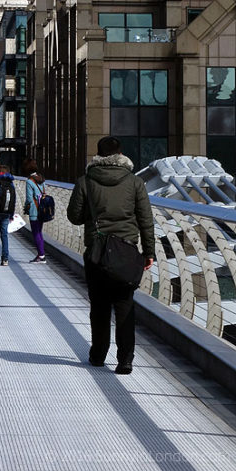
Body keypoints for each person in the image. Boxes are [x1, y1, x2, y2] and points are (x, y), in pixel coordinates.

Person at [67, 135, 155, 374]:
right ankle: (125, 360)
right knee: (125, 305)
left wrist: (92, 215)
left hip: (96, 251)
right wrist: (149, 251)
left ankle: (98, 354)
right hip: (126, 251)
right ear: (121, 154)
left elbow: (74, 216)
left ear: (97, 155)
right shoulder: (134, 182)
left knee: (99, 306)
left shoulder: (85, 181)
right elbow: (146, 220)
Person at [25, 163, 47, 263]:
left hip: (34, 210)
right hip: (42, 210)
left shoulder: (29, 181)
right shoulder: (41, 179)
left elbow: (29, 198)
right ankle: (41, 254)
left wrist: (26, 208)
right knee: (39, 232)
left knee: (35, 233)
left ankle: (41, 255)